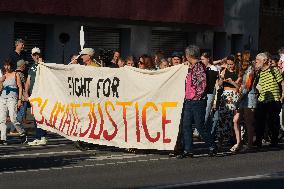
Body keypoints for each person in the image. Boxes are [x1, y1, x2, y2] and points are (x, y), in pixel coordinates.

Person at [176, 45, 216, 159]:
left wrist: (196, 96)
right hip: (189, 100)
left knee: (199, 126)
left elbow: (202, 85)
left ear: (189, 55)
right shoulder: (192, 67)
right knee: (186, 125)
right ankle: (188, 150)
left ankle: (212, 145)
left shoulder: (199, 67)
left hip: (197, 101)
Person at [254, 52, 284, 148]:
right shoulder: (259, 73)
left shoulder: (273, 70)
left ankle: (274, 140)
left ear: (264, 61)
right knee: (259, 121)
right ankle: (258, 140)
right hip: (262, 99)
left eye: (258, 61)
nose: (256, 62)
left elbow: (282, 83)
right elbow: (257, 86)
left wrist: (282, 95)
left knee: (273, 121)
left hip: (273, 100)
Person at [231, 52, 256, 152]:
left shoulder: (250, 70)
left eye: (240, 58)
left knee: (248, 122)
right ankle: (239, 142)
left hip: (249, 97)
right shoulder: (243, 70)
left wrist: (240, 95)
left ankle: (249, 145)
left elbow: (247, 86)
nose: (238, 60)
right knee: (235, 120)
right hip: (242, 97)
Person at [217, 55, 241, 149]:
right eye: (228, 64)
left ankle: (233, 139)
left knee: (232, 119)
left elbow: (238, 86)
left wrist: (231, 82)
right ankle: (220, 140)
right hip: (225, 95)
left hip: (234, 95)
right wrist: (221, 78)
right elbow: (219, 84)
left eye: (232, 64)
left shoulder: (238, 72)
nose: (230, 66)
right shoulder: (223, 71)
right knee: (222, 117)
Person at [0, 59, 27, 145]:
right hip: (3, 98)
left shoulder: (15, 74)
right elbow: (0, 89)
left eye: (8, 65)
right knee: (2, 119)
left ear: (11, 65)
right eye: (5, 65)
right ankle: (3, 138)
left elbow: (19, 87)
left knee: (13, 118)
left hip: (12, 98)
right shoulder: (3, 75)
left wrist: (19, 100)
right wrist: (1, 81)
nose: (6, 67)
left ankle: (22, 132)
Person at [26, 47, 48, 146]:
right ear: (32, 56)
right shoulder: (31, 67)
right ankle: (38, 137)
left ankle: (42, 137)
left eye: (37, 54)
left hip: (42, 94)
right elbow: (28, 81)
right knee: (35, 116)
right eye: (34, 55)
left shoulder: (44, 66)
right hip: (33, 95)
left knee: (41, 116)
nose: (36, 56)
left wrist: (41, 63)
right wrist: (26, 92)